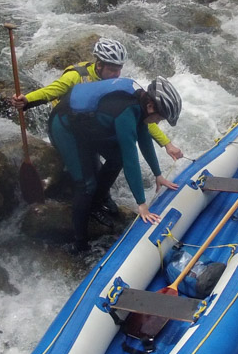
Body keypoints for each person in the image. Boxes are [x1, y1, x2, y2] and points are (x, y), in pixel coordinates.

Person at [48, 76, 182, 249]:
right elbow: (130, 159)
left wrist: (158, 174)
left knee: (116, 157)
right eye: (160, 118)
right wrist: (141, 204)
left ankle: (97, 203)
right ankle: (80, 243)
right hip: (65, 126)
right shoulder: (126, 112)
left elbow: (144, 138)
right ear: (151, 106)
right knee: (86, 185)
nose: (158, 122)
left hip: (88, 124)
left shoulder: (141, 103)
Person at [9, 38, 183, 161]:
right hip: (69, 128)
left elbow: (141, 114)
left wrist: (167, 144)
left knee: (118, 153)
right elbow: (51, 91)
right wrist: (27, 100)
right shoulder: (76, 76)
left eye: (119, 69)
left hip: (93, 126)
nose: (117, 74)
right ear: (99, 65)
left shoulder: (115, 84)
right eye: (112, 70)